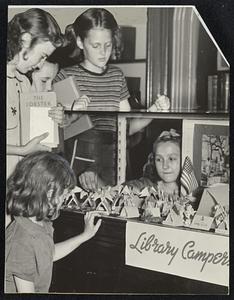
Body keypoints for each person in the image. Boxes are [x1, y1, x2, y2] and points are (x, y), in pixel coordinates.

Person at [54, 8, 169, 190]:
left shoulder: (116, 76)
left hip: (114, 161)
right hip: (77, 167)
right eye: (96, 46)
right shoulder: (65, 77)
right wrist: (73, 112)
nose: (103, 52)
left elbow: (127, 128)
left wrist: (155, 110)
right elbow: (56, 134)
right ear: (80, 42)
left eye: (108, 45)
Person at [5, 151, 102, 293]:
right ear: (48, 193)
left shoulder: (39, 223)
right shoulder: (22, 240)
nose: (65, 197)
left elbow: (48, 254)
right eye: (63, 193)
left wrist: (85, 235)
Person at [7, 8, 66, 178]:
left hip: (16, 186)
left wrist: (53, 118)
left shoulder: (24, 83)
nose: (40, 65)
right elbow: (25, 148)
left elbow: (36, 138)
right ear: (25, 40)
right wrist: (22, 150)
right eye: (42, 56)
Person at [126, 129, 181, 196]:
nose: (165, 166)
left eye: (171, 159)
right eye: (159, 159)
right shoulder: (146, 186)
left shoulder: (193, 192)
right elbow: (127, 187)